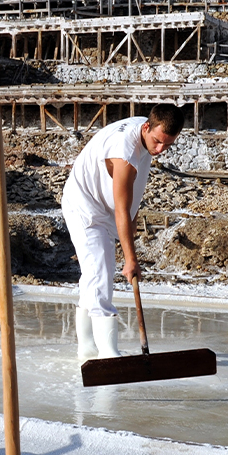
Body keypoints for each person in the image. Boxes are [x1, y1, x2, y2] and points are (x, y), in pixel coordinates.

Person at [62, 104, 185, 360]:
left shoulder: (147, 134)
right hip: (84, 206)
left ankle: (87, 348)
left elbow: (131, 202)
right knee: (100, 274)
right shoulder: (125, 150)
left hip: (104, 207)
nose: (160, 150)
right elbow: (122, 209)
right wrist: (130, 259)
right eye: (157, 142)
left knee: (94, 275)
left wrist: (129, 244)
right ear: (146, 127)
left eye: (167, 145)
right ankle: (108, 353)